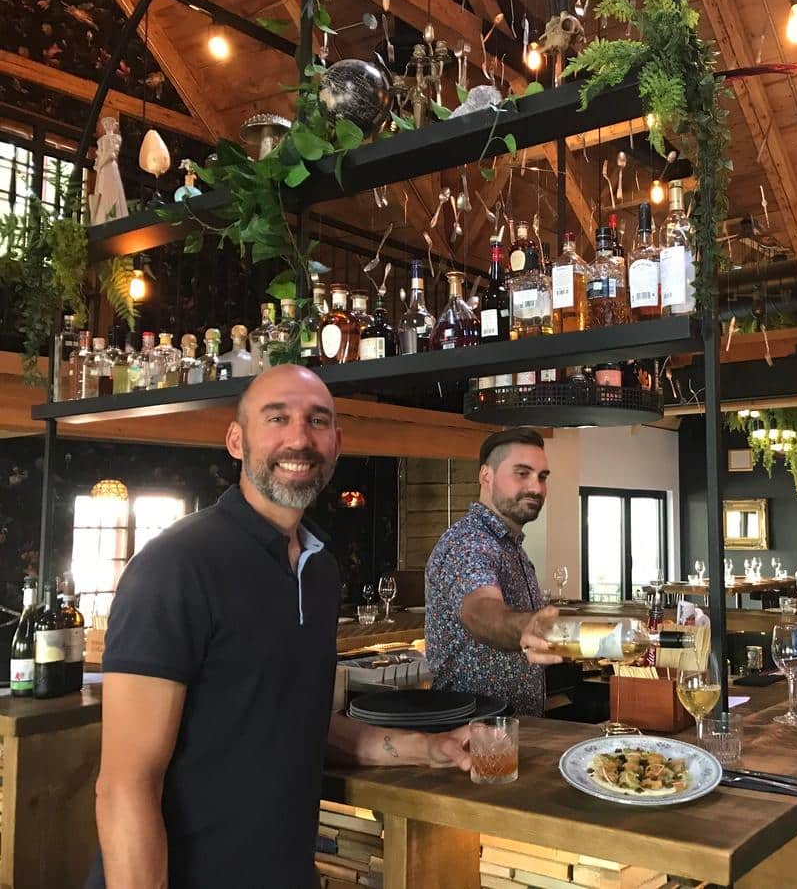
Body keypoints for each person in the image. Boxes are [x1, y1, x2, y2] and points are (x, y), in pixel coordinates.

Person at [88, 366, 470, 889]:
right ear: (236, 440)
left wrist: (431, 749)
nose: (299, 438)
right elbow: (125, 785)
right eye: (277, 418)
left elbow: (294, 716)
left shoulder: (318, 569)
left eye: (317, 421)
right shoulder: (175, 566)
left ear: (336, 443)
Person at [424, 427, 562, 715]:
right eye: (522, 473)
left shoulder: (511, 546)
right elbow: (480, 608)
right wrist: (523, 627)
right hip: (469, 738)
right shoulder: (468, 542)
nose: (536, 488)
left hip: (512, 733)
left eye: (542, 477)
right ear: (486, 476)